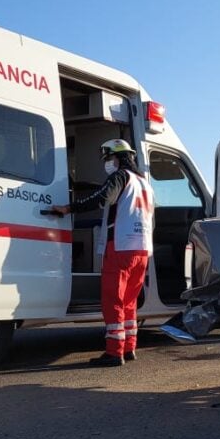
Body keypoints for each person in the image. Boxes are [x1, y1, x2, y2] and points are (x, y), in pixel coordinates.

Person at [50, 139, 155, 367]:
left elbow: (102, 198)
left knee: (113, 299)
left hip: (120, 246)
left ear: (117, 157)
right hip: (143, 248)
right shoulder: (144, 183)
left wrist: (69, 208)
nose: (107, 163)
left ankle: (114, 352)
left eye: (108, 158)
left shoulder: (120, 176)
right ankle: (129, 348)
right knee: (129, 301)